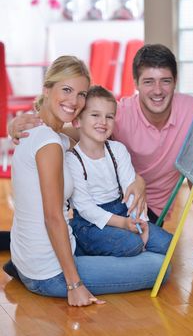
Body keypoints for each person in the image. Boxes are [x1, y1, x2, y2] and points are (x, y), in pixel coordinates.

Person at [8, 44, 193, 241]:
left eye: (165, 81)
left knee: (152, 249)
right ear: (135, 83)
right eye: (148, 82)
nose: (157, 90)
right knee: (74, 236)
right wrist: (26, 127)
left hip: (147, 210)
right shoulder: (121, 113)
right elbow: (78, 132)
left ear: (175, 82)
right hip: (107, 201)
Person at [3, 55, 171, 307]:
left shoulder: (48, 134)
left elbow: (90, 137)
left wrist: (138, 179)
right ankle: (68, 275)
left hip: (31, 258)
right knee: (161, 267)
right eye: (67, 90)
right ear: (47, 89)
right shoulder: (49, 143)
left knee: (154, 246)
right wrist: (75, 285)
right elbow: (53, 217)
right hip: (50, 273)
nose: (74, 101)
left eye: (81, 94)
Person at [66, 85, 172, 257]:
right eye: (95, 115)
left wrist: (141, 223)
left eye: (109, 117)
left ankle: (132, 254)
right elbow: (85, 208)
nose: (103, 122)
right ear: (77, 121)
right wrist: (123, 224)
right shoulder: (72, 159)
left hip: (122, 211)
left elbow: (132, 193)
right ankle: (80, 245)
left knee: (167, 243)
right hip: (90, 223)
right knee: (131, 244)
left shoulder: (118, 150)